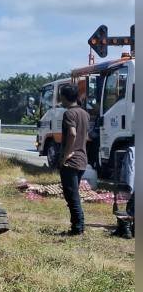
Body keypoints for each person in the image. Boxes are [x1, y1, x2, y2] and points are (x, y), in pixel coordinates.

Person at [58, 84, 90, 235]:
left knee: (72, 196)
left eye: (61, 96)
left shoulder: (69, 114)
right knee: (73, 194)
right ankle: (78, 226)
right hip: (82, 159)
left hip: (72, 161)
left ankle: (78, 228)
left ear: (64, 97)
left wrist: (66, 154)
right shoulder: (84, 113)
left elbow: (72, 134)